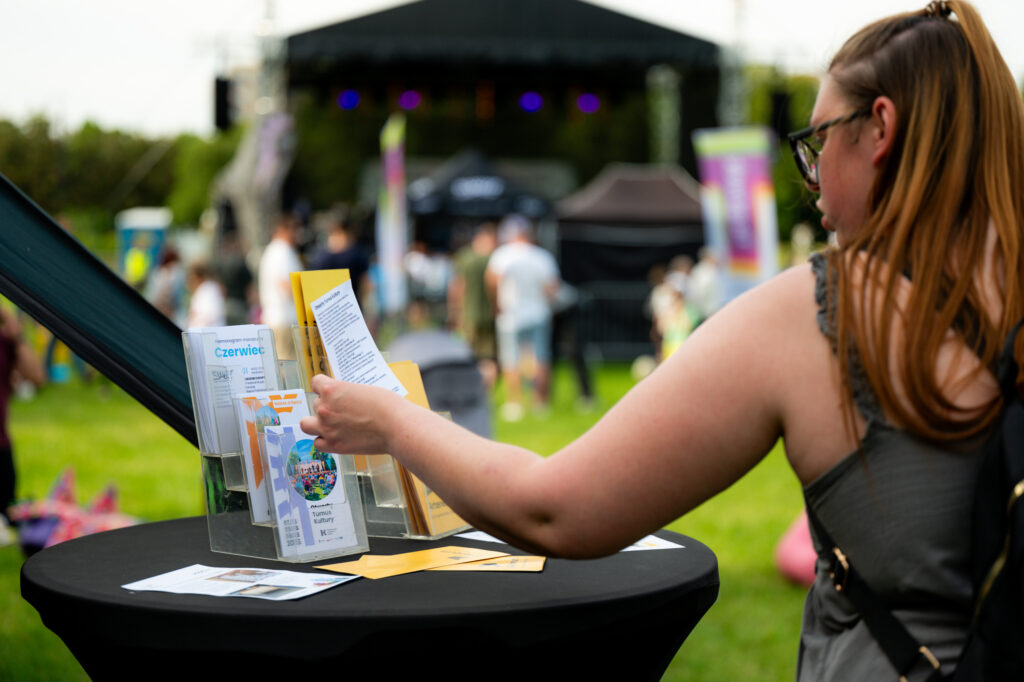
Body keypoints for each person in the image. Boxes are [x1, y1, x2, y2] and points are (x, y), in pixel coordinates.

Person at [300, 2, 1023, 679]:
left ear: (881, 129)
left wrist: (392, 422)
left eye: (818, 141)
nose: (813, 184)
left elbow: (554, 508)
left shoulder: (823, 310)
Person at [485, 214, 560, 420]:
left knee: (511, 360)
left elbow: (492, 281)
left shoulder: (502, 255)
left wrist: (496, 305)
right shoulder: (542, 256)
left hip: (510, 316)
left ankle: (514, 402)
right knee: (541, 358)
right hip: (538, 313)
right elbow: (551, 288)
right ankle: (540, 403)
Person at [1, 306, 45, 524]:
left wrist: (17, 333)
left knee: (8, 522)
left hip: (1, 450)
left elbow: (36, 377)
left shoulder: (5, 341)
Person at [447, 222, 498, 388]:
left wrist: (454, 312)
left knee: (466, 356)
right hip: (490, 316)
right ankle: (486, 393)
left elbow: (457, 287)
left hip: (468, 316)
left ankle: (469, 390)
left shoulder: (465, 257)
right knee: (489, 358)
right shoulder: (495, 259)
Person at [258, 213, 303, 360]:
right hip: (285, 319)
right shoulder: (283, 251)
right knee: (288, 364)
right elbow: (286, 285)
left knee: (279, 362)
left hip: (274, 318)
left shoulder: (271, 251)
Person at [308, 205, 371, 303]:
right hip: (348, 305)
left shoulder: (321, 256)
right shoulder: (356, 254)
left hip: (329, 305)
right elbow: (366, 284)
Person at [185, 262, 226, 329]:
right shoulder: (202, 290)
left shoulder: (210, 289)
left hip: (210, 331)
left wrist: (194, 321)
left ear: (198, 277)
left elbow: (212, 314)